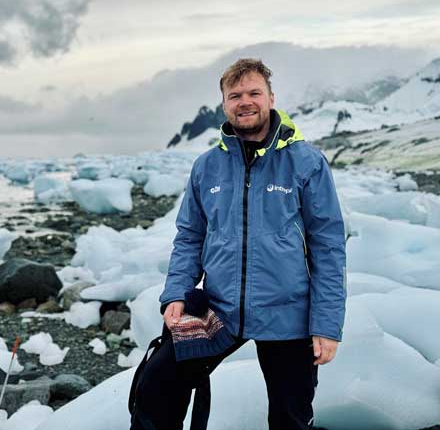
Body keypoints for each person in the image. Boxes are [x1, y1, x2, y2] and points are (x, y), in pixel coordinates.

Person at [130, 58, 346, 430]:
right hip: (220, 310)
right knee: (157, 387)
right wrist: (177, 293)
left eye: (253, 93)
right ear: (225, 104)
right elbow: (190, 236)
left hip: (287, 316)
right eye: (235, 95)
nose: (245, 101)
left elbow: (328, 247)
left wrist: (326, 325)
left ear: (271, 98)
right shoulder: (207, 166)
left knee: (290, 417)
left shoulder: (305, 162)